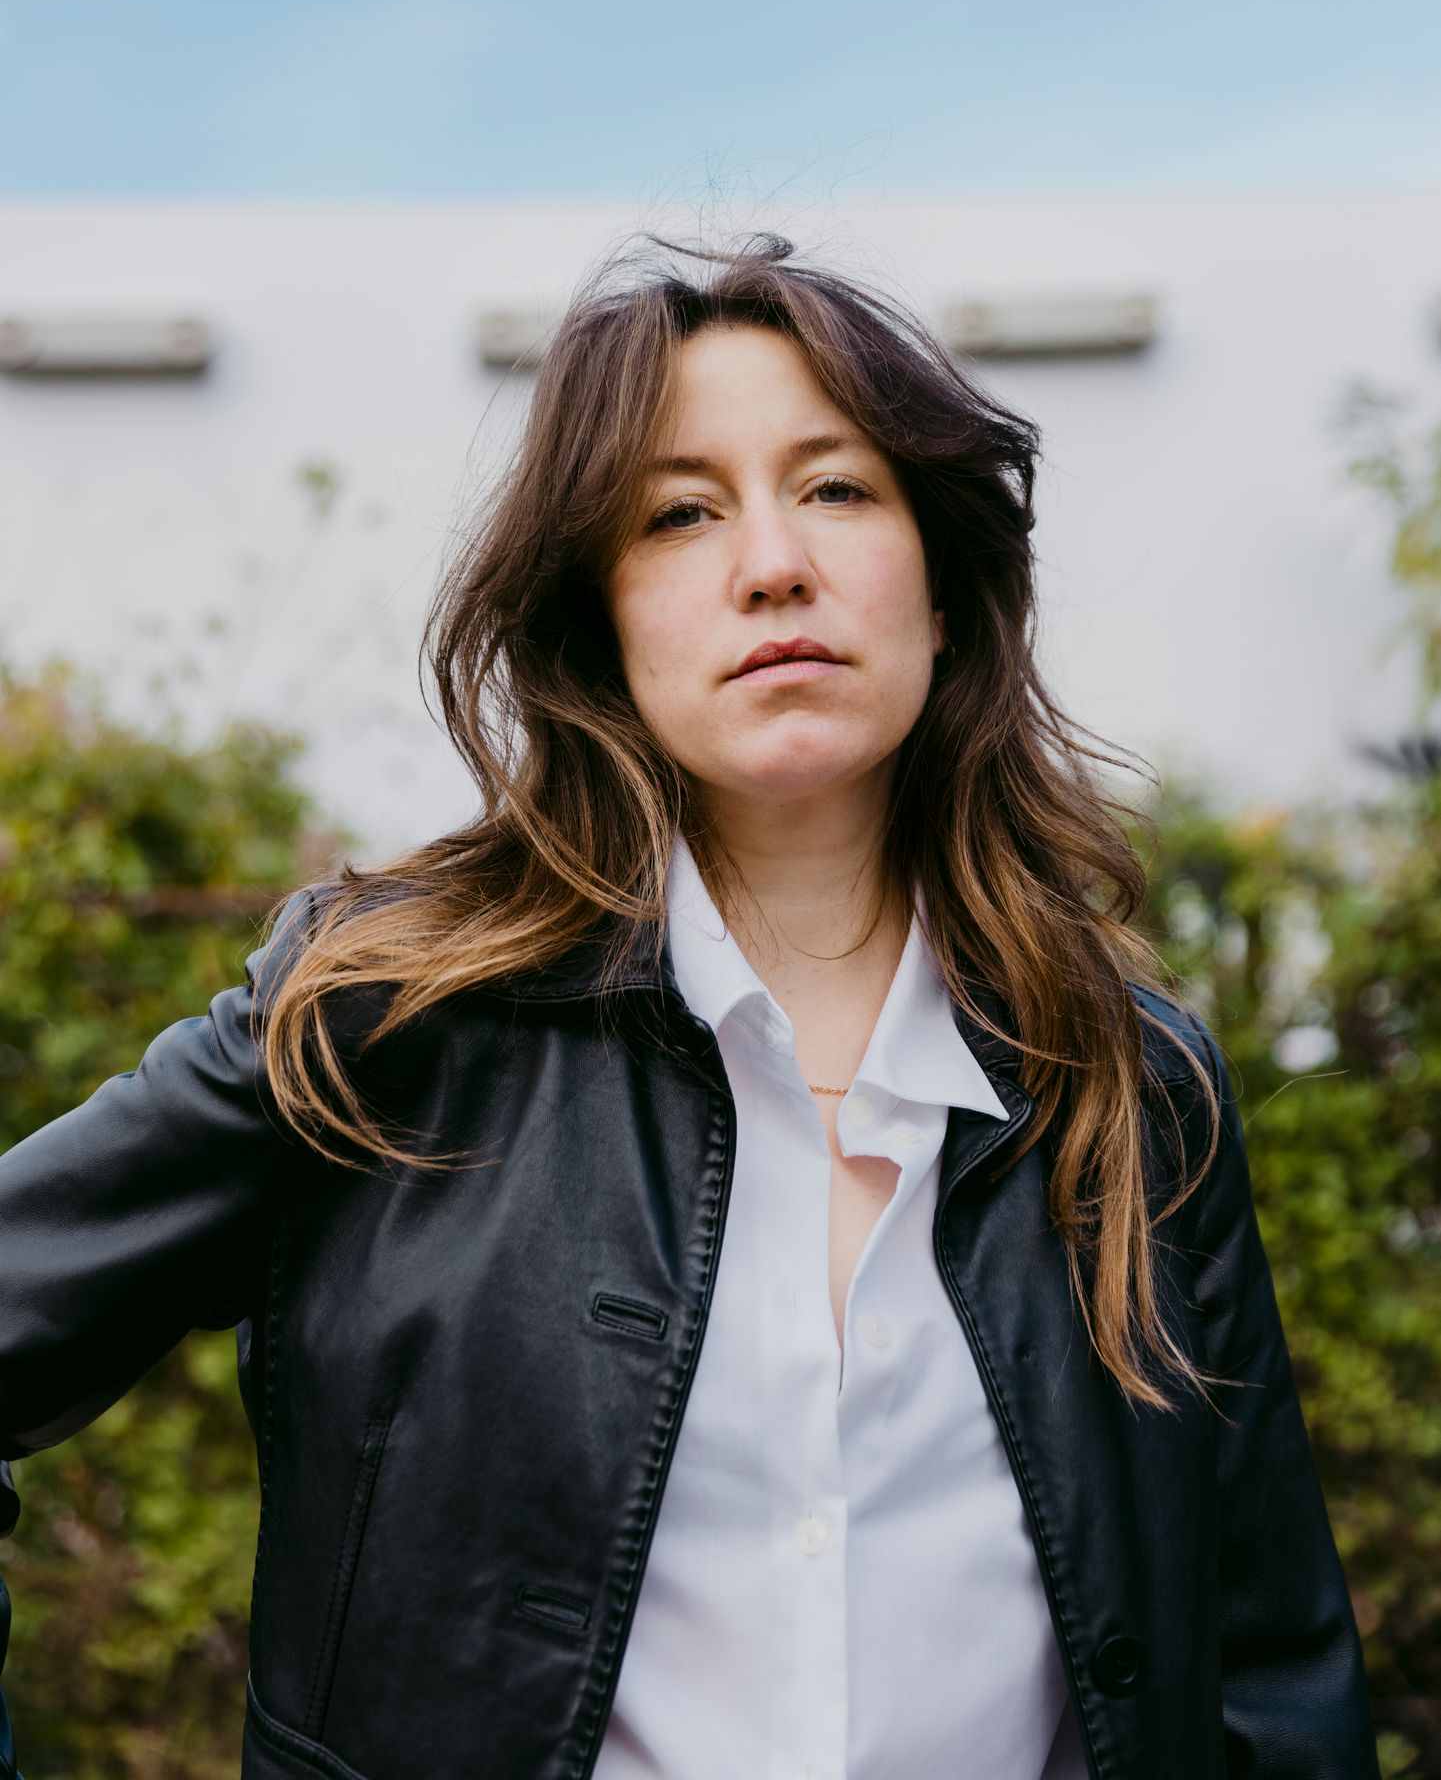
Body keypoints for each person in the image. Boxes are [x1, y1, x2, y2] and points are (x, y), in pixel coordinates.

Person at [0, 235, 1378, 1780]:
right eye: (678, 512)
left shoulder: (1134, 1087)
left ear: (943, 588)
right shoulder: (382, 1020)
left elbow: (1269, 1679)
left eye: (836, 488)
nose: (771, 563)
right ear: (597, 623)